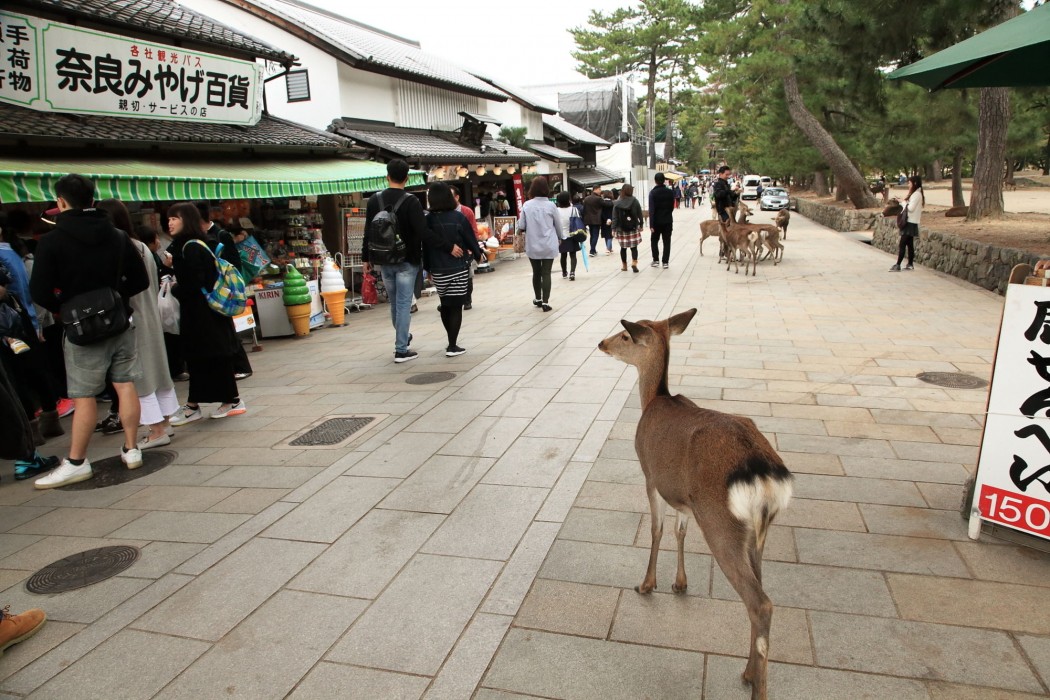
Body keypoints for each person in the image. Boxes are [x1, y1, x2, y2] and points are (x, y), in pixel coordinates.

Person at [29, 173, 150, 488]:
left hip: (81, 329)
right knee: (124, 385)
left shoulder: (52, 240)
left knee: (83, 396)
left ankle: (77, 462)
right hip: (121, 321)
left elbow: (39, 291)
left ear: (61, 202)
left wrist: (66, 305)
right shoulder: (118, 236)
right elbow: (140, 282)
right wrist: (115, 297)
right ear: (93, 200)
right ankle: (132, 448)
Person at [97, 199, 178, 449]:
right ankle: (166, 422)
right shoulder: (141, 246)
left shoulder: (114, 247)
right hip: (150, 313)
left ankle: (155, 430)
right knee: (158, 369)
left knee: (139, 375)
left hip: (131, 318)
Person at [363, 159, 461, 363]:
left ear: (387, 176)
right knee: (403, 304)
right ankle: (400, 349)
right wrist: (448, 246)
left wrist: (366, 258)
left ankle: (403, 338)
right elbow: (423, 232)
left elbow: (368, 231)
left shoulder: (374, 200)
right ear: (407, 178)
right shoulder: (411, 201)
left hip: (383, 259)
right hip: (407, 260)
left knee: (395, 304)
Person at [166, 202, 246, 424]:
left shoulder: (190, 247)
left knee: (211, 357)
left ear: (187, 220)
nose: (170, 222)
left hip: (203, 315)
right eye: (169, 218)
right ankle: (194, 405)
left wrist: (174, 288)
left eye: (175, 218)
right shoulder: (191, 245)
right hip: (202, 314)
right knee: (199, 359)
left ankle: (232, 400)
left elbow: (193, 283)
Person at [424, 182, 482, 356]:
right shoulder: (458, 218)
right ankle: (452, 345)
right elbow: (471, 239)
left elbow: (426, 246)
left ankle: (451, 341)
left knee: (445, 304)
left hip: (438, 269)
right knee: (456, 306)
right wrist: (478, 255)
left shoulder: (427, 220)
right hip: (457, 268)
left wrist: (428, 269)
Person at [196, 203, 252, 380]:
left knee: (227, 327)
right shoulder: (198, 237)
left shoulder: (221, 235)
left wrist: (229, 287)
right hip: (210, 289)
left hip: (222, 288)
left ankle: (242, 365)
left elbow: (234, 263)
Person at [518, 176, 559, 312]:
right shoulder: (551, 206)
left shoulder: (527, 205)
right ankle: (546, 302)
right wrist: (561, 237)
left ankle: (538, 298)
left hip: (533, 243)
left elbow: (522, 225)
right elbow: (557, 225)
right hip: (548, 243)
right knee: (546, 273)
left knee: (536, 272)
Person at [450, 184, 477, 310]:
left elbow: (474, 231)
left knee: (467, 275)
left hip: (466, 249)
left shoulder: (467, 211)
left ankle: (467, 299)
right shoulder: (444, 212)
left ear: (457, 197)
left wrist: (472, 248)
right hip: (451, 249)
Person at [890, 175, 924, 272]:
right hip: (912, 222)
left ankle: (898, 265)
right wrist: (902, 201)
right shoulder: (916, 194)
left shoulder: (916, 195)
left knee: (902, 244)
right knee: (909, 244)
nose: (908, 185)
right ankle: (910, 264)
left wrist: (903, 202)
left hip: (910, 222)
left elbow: (910, 208)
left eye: (909, 183)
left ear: (915, 183)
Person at [613, 184, 644, 273]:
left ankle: (624, 265)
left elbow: (614, 217)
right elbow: (640, 214)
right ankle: (634, 262)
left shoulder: (617, 202)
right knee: (633, 247)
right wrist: (641, 225)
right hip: (633, 227)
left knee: (623, 248)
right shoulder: (635, 201)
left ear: (622, 191)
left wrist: (613, 229)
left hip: (621, 228)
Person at [648, 173, 676, 269]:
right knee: (667, 241)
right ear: (664, 180)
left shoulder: (652, 193)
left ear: (655, 181)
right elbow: (672, 207)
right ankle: (665, 262)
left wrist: (651, 224)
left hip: (656, 221)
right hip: (668, 220)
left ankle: (656, 260)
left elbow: (651, 210)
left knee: (654, 240)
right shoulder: (670, 192)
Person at [555, 191, 580, 280]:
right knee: (573, 254)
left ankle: (564, 272)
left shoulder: (557, 210)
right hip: (573, 234)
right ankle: (572, 272)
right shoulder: (574, 209)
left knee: (563, 255)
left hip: (561, 235)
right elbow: (578, 221)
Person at [582, 186, 604, 257]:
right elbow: (605, 205)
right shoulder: (599, 199)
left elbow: (584, 209)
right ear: (595, 189)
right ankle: (592, 250)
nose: (600, 191)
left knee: (592, 235)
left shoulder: (586, 198)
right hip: (596, 219)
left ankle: (593, 250)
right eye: (599, 189)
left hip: (588, 219)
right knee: (595, 235)